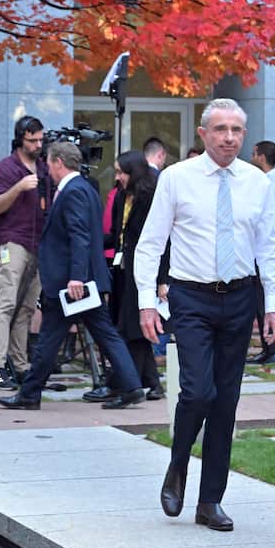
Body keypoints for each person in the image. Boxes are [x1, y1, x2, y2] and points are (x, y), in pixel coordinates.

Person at [136, 98, 275, 533]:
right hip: (191, 297)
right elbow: (150, 244)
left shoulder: (257, 182)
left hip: (239, 298)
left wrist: (272, 306)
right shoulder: (177, 179)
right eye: (220, 129)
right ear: (203, 134)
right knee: (198, 392)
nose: (229, 138)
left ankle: (210, 500)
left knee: (225, 402)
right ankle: (178, 464)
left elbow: (268, 248)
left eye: (236, 130)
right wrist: (148, 300)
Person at [0, 142, 144, 412]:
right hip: (81, 282)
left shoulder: (73, 191)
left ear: (59, 163)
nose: (48, 168)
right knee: (97, 335)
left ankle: (29, 394)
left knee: (51, 338)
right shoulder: (85, 189)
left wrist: (76, 277)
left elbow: (80, 235)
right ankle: (132, 387)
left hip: (72, 283)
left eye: (50, 162)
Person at [0, 115, 51, 391]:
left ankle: (20, 364)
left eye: (40, 139)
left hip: (37, 242)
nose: (38, 144)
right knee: (5, 302)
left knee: (26, 306)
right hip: (12, 241)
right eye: (32, 140)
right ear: (20, 139)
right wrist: (19, 188)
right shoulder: (7, 168)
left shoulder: (44, 168)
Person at [112, 151, 168, 400]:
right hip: (125, 267)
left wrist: (162, 280)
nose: (117, 177)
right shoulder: (123, 196)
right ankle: (152, 383)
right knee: (133, 327)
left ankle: (127, 383)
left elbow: (163, 240)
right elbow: (118, 233)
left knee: (132, 327)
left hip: (147, 270)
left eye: (121, 172)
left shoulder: (151, 197)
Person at [246, 140, 275, 365]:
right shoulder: (265, 182)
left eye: (254, 154)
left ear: (261, 157)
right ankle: (268, 347)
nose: (251, 157)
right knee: (259, 302)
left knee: (268, 300)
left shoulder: (274, 185)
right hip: (261, 249)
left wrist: (272, 253)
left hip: (272, 249)